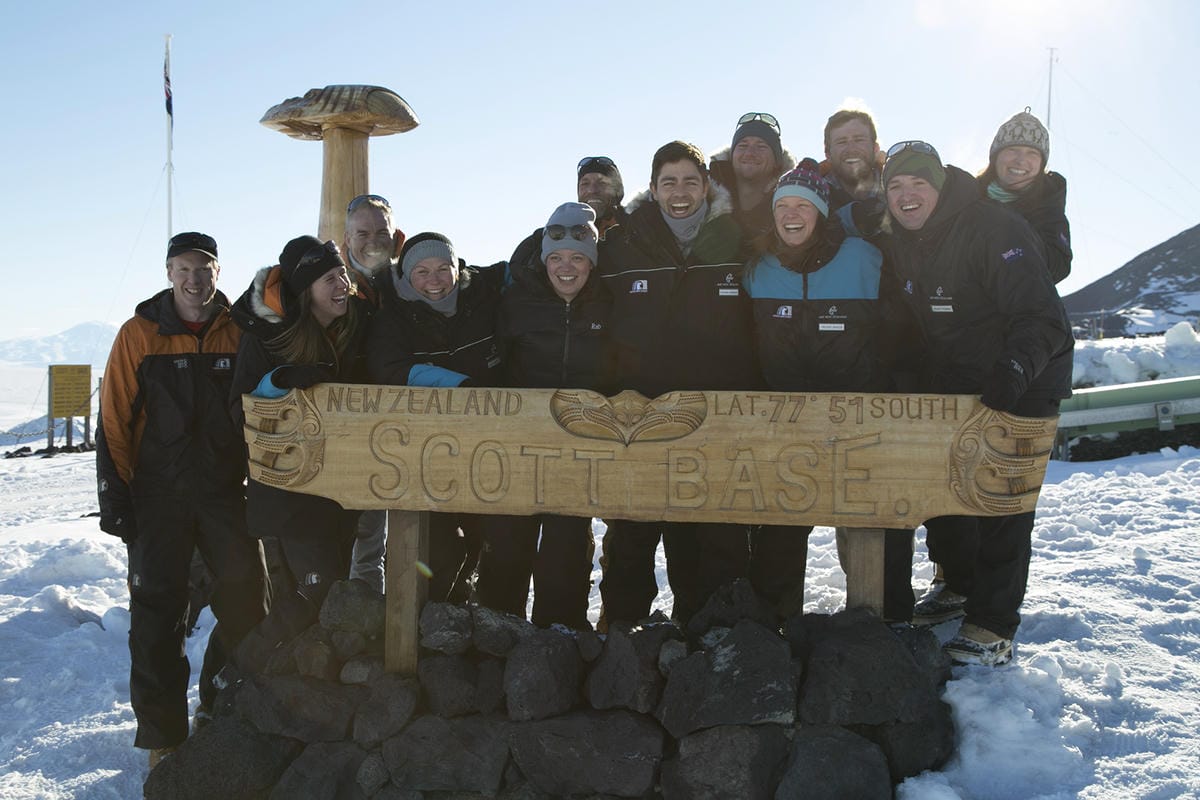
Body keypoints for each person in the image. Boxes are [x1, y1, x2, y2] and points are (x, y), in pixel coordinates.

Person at [879, 141, 1074, 665]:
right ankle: (960, 587)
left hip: (1027, 377)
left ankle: (992, 625)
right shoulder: (904, 241)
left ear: (940, 187)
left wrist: (1013, 371)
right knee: (948, 491)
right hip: (962, 381)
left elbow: (1042, 316)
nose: (906, 194)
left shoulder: (993, 228)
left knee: (1003, 501)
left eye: (918, 182)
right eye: (895, 186)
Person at [96, 231, 270, 768]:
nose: (195, 280)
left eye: (205, 268)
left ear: (219, 272)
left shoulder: (240, 331)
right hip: (158, 497)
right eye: (185, 269)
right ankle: (162, 735)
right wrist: (117, 495)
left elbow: (262, 411)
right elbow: (113, 420)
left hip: (225, 495)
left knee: (247, 604)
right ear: (169, 273)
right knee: (157, 616)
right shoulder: (139, 333)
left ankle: (221, 708)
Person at [741, 160, 917, 622]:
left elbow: (903, 330)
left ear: (821, 212)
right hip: (785, 423)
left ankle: (888, 622)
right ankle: (774, 627)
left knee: (874, 522)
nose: (792, 214)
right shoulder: (757, 267)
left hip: (861, 420)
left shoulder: (865, 258)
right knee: (779, 526)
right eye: (784, 206)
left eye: (804, 205)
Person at [597, 140, 761, 628]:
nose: (680, 191)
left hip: (716, 418)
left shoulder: (738, 240)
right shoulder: (624, 244)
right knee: (631, 537)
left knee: (711, 540)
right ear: (653, 188)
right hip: (638, 416)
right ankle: (621, 641)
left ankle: (710, 640)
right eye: (669, 182)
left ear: (706, 185)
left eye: (690, 180)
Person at [228, 235, 370, 669]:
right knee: (312, 593)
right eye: (329, 278)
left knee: (323, 597)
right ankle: (237, 675)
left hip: (340, 491)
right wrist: (280, 383)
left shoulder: (357, 326)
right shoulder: (269, 336)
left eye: (342, 273)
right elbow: (239, 411)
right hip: (286, 491)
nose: (342, 283)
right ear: (306, 290)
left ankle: (292, 695)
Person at [476, 202, 612, 629]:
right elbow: (492, 361)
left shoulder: (608, 303)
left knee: (566, 553)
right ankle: (498, 639)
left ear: (591, 261)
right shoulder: (517, 300)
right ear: (543, 259)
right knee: (507, 548)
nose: (565, 268)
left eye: (577, 258)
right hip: (518, 445)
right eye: (556, 258)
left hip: (579, 448)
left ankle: (562, 643)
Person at [367, 232, 507, 603]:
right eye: (423, 271)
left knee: (488, 543)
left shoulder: (483, 297)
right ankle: (433, 627)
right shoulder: (394, 317)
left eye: (443, 269)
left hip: (487, 452)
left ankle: (487, 630)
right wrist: (459, 387)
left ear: (456, 268)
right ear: (406, 276)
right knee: (439, 551)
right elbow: (390, 369)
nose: (435, 281)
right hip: (427, 457)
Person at [341, 194, 406, 594]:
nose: (373, 240)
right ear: (347, 238)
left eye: (381, 231)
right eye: (363, 232)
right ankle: (361, 621)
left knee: (414, 539)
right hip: (352, 428)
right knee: (362, 537)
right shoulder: (332, 285)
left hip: (412, 424)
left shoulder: (416, 277)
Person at [709, 112, 795, 243]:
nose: (750, 153)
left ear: (777, 162)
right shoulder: (703, 199)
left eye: (761, 147)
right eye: (743, 146)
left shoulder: (794, 204)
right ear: (732, 156)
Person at [822, 108, 885, 211]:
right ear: (828, 153)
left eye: (859, 140)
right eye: (842, 142)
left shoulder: (899, 190)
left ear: (875, 148)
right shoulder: (811, 197)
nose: (851, 149)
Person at [577, 156, 628, 237]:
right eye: (585, 184)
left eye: (602, 183)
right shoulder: (562, 232)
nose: (592, 190)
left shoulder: (637, 228)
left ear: (617, 190)